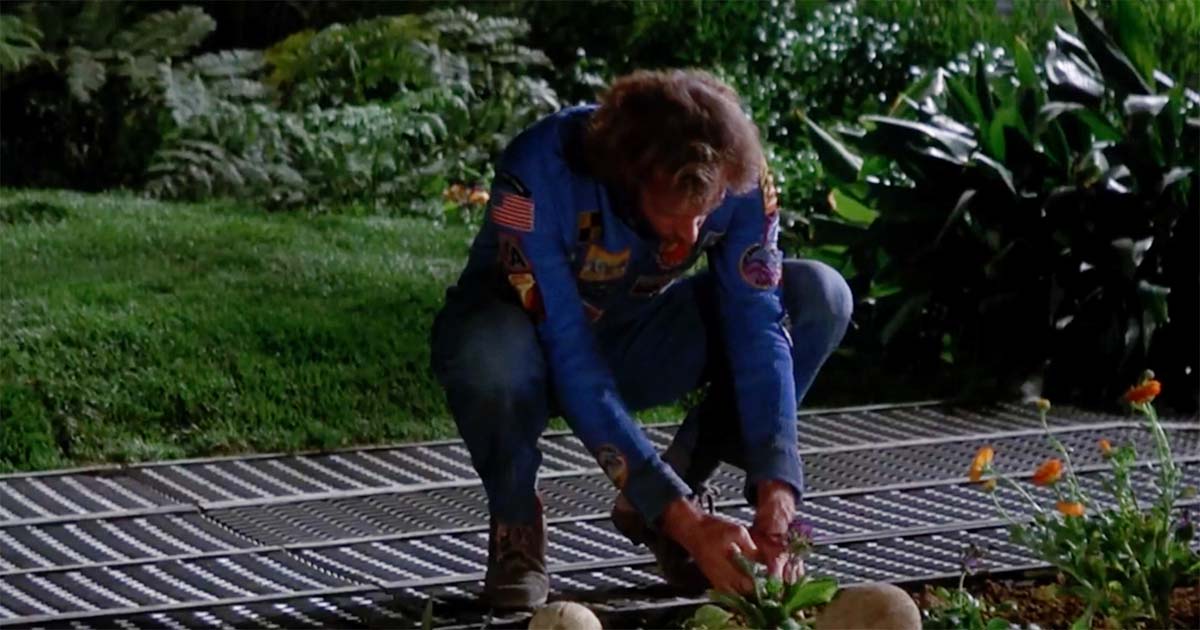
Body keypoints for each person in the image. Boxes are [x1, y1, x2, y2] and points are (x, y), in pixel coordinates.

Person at [430, 69, 853, 609]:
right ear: (628, 181)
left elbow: (758, 325)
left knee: (819, 297)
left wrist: (779, 493)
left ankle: (673, 490)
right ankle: (516, 522)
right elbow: (569, 353)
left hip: (634, 332)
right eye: (671, 215)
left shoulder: (741, 175)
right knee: (492, 356)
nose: (691, 236)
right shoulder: (535, 177)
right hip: (526, 338)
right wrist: (686, 518)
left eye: (706, 213)